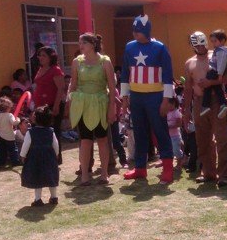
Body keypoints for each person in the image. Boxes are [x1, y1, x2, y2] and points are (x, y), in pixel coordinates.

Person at [120, 15, 175, 184]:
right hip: (136, 96)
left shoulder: (159, 48)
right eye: (134, 30)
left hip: (155, 96)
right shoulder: (129, 47)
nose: (135, 33)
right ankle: (140, 168)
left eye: (138, 30)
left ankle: (167, 168)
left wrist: (166, 100)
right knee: (139, 132)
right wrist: (124, 97)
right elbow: (125, 73)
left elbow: (168, 75)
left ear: (146, 30)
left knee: (161, 131)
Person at [68, 33, 117, 186]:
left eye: (84, 43)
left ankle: (104, 173)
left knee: (102, 139)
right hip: (82, 104)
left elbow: (112, 87)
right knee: (85, 140)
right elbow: (73, 84)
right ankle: (84, 174)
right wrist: (70, 102)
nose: (81, 46)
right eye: (80, 43)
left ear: (92, 44)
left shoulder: (105, 61)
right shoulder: (77, 62)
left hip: (100, 103)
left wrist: (112, 108)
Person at [183, 31, 227, 186]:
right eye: (196, 45)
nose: (200, 47)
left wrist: (211, 83)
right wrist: (186, 110)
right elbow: (188, 88)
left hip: (216, 100)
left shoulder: (216, 55)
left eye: (201, 43)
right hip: (199, 102)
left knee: (222, 138)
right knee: (202, 139)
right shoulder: (189, 63)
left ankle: (225, 174)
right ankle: (209, 172)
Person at [20, 106, 59, 206]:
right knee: (51, 177)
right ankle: (54, 197)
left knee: (37, 179)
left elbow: (26, 145)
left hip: (35, 159)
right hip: (49, 158)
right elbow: (55, 145)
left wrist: (23, 156)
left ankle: (38, 200)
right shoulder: (51, 131)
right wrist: (56, 155)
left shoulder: (31, 132)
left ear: (35, 118)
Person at [33, 47, 65, 164]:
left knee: (54, 132)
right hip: (40, 107)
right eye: (39, 55)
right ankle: (45, 157)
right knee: (41, 132)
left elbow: (60, 88)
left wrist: (56, 106)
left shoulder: (55, 70)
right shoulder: (40, 69)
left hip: (52, 105)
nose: (40, 58)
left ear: (50, 57)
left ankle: (56, 158)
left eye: (43, 55)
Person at [199, 29, 227, 118]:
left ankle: (205, 105)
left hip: (215, 71)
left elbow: (221, 63)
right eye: (212, 41)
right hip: (217, 71)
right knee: (217, 87)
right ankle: (223, 104)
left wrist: (220, 74)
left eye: (215, 41)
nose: (213, 44)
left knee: (207, 85)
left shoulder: (220, 51)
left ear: (222, 41)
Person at [0, 97, 21, 167]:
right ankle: (15, 162)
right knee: (13, 150)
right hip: (10, 137)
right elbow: (14, 123)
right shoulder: (9, 115)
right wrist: (18, 120)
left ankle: (1, 162)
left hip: (1, 136)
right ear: (8, 107)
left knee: (1, 150)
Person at [166, 97, 183, 169]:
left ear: (175, 104)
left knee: (176, 150)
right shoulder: (166, 112)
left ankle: (179, 163)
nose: (170, 106)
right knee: (169, 151)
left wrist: (170, 126)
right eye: (168, 104)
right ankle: (169, 165)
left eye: (172, 104)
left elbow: (179, 124)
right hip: (168, 136)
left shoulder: (176, 112)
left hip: (175, 136)